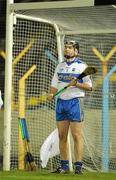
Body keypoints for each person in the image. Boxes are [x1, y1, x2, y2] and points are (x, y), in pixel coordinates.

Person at [47, 40, 92, 174]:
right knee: (62, 135)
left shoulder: (82, 66)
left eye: (70, 48)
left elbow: (90, 87)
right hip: (61, 102)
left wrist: (76, 84)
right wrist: (51, 94)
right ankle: (64, 166)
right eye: (66, 47)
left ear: (76, 51)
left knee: (76, 135)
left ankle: (78, 166)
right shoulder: (59, 66)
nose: (67, 49)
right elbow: (55, 84)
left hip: (75, 102)